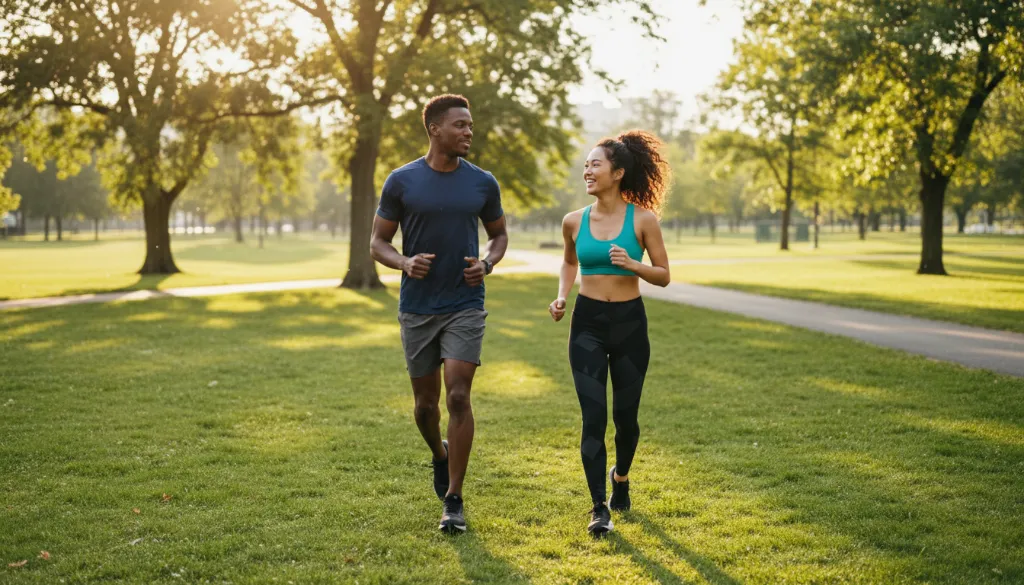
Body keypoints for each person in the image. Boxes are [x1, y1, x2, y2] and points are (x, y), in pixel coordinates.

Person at [370, 94, 507, 533]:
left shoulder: (482, 182)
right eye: (460, 125)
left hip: (465, 303)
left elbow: (499, 235)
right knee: (425, 405)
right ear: (435, 129)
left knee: (459, 396)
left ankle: (454, 499)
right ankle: (438, 453)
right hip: (418, 307)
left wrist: (486, 263)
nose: (469, 132)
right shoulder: (402, 181)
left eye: (470, 125)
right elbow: (377, 242)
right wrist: (404, 262)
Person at [548, 130, 671, 536]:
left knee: (626, 419)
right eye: (585, 165)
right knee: (593, 417)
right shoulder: (573, 221)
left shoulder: (643, 220)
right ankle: (599, 506)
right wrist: (562, 296)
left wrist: (633, 264)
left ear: (617, 173)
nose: (587, 171)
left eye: (595, 164)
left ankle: (621, 477)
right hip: (587, 324)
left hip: (630, 325)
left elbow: (664, 275)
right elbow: (569, 263)